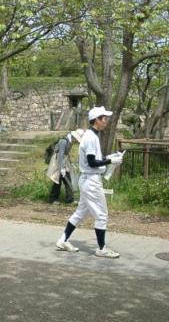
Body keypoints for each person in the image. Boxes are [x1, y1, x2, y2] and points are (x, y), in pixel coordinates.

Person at [55, 106, 123, 259]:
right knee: (102, 215)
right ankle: (101, 248)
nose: (106, 120)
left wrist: (109, 158)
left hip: (87, 179)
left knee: (80, 213)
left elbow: (94, 159)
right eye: (104, 118)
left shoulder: (90, 136)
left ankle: (63, 240)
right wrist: (111, 160)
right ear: (97, 120)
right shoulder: (91, 137)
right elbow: (92, 162)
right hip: (91, 180)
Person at [46, 129, 85, 204]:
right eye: (76, 139)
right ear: (74, 136)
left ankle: (69, 199)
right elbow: (60, 155)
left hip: (64, 162)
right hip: (57, 162)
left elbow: (66, 154)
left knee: (68, 180)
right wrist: (61, 168)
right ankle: (53, 199)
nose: (76, 141)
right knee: (57, 181)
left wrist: (70, 164)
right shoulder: (63, 141)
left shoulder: (70, 141)